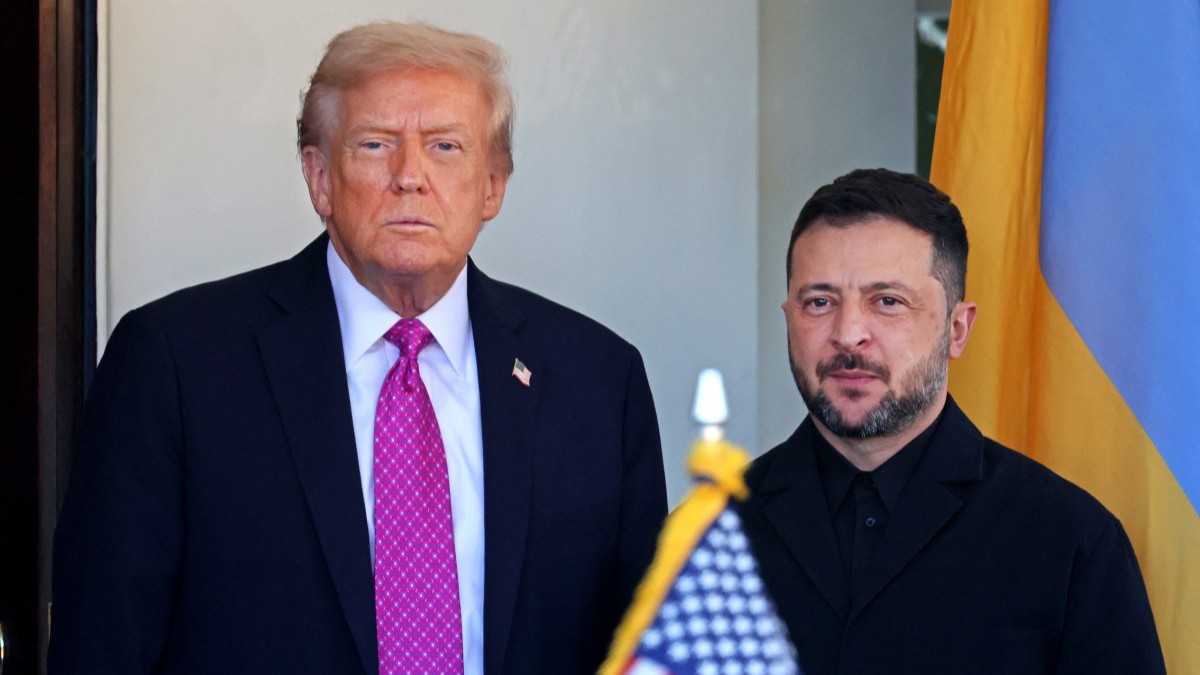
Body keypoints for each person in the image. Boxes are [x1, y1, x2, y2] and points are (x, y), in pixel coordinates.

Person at [48, 21, 666, 675]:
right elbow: (103, 642)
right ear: (319, 177)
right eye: (375, 145)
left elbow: (641, 650)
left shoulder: (598, 380)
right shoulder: (177, 365)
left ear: (494, 184)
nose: (410, 177)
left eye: (446, 146)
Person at [738, 168, 1165, 674]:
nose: (849, 334)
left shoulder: (1071, 542)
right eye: (820, 302)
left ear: (957, 329)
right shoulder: (704, 537)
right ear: (788, 317)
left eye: (887, 302)